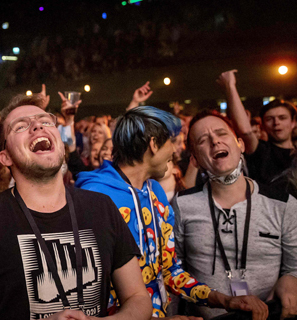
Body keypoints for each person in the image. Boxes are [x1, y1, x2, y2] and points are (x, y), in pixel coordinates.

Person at [0, 94, 152, 320]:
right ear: (5, 157)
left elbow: (138, 298)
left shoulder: (101, 207)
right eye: (21, 126)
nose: (37, 126)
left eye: (45, 122)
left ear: (61, 146)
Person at [75, 106, 266, 318]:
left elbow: (169, 271)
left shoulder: (154, 191)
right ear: (154, 145)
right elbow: (92, 289)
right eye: (171, 142)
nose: (175, 150)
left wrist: (224, 300)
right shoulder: (94, 197)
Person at [173, 110, 296, 319]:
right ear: (194, 159)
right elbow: (173, 270)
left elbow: (294, 266)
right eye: (203, 140)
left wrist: (292, 277)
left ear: (241, 145)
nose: (214, 141)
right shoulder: (182, 204)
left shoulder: (282, 204)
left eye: (222, 133)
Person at [218, 69, 296, 187]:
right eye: (270, 119)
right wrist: (230, 86)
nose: (276, 123)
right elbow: (245, 131)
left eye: (282, 118)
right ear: (263, 125)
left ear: (293, 122)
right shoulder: (261, 151)